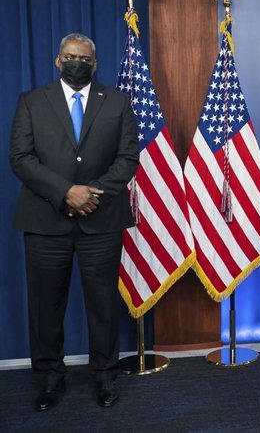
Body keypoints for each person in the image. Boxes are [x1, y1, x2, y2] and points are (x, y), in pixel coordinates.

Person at [9, 33, 139, 410]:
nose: (76, 62)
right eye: (70, 56)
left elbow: (127, 158)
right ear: (57, 60)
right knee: (45, 306)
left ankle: (105, 379)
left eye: (84, 58)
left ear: (95, 64)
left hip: (102, 221)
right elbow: (21, 157)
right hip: (45, 221)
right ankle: (49, 380)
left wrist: (90, 193)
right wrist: (67, 191)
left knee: (102, 306)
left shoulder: (117, 102)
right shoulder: (32, 101)